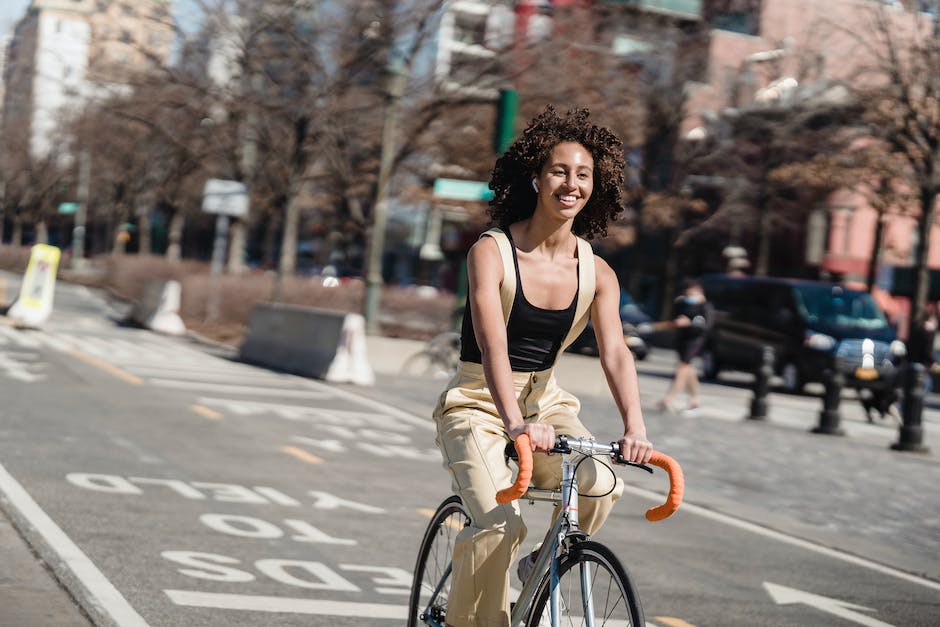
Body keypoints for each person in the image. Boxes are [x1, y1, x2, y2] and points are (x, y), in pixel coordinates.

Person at [432, 106, 652, 627]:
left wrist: (635, 427)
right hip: (480, 402)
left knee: (601, 483)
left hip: (546, 403)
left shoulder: (597, 271)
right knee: (499, 525)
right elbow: (491, 345)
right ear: (536, 176)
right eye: (559, 171)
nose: (571, 184)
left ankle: (544, 564)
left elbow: (615, 351)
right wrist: (514, 424)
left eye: (583, 175)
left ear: (595, 187)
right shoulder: (492, 251)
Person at [659, 279, 711, 414]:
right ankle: (695, 400)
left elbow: (705, 325)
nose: (689, 298)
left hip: (694, 341)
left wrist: (690, 323)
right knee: (689, 369)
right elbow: (674, 317)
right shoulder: (682, 303)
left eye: (691, 294)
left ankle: (670, 398)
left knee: (682, 368)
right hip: (682, 339)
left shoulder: (705, 307)